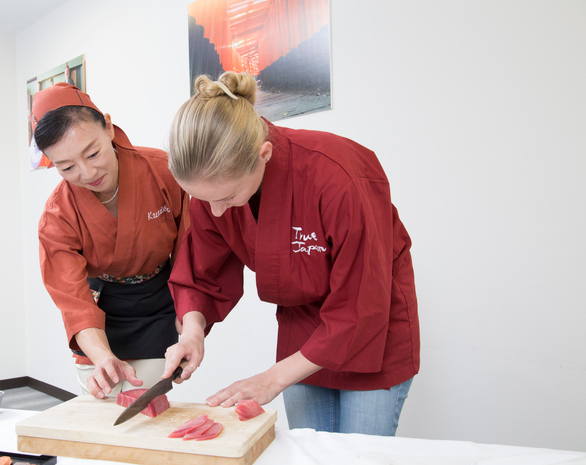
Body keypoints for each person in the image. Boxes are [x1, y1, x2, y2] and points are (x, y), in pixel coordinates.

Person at [162, 72, 419, 435]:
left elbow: (361, 305)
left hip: (371, 329)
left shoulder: (341, 177)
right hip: (303, 330)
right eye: (205, 200)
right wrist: (192, 332)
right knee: (310, 461)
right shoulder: (212, 189)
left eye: (228, 198)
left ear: (263, 154)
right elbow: (203, 272)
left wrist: (272, 379)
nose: (216, 212)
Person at [33, 82, 188, 399]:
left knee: (147, 408)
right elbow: (73, 301)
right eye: (67, 167)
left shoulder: (163, 171)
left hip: (158, 304)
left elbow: (191, 251)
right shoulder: (57, 216)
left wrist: (190, 318)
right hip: (99, 313)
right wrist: (102, 356)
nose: (87, 173)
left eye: (93, 153)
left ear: (108, 126)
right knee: (101, 411)